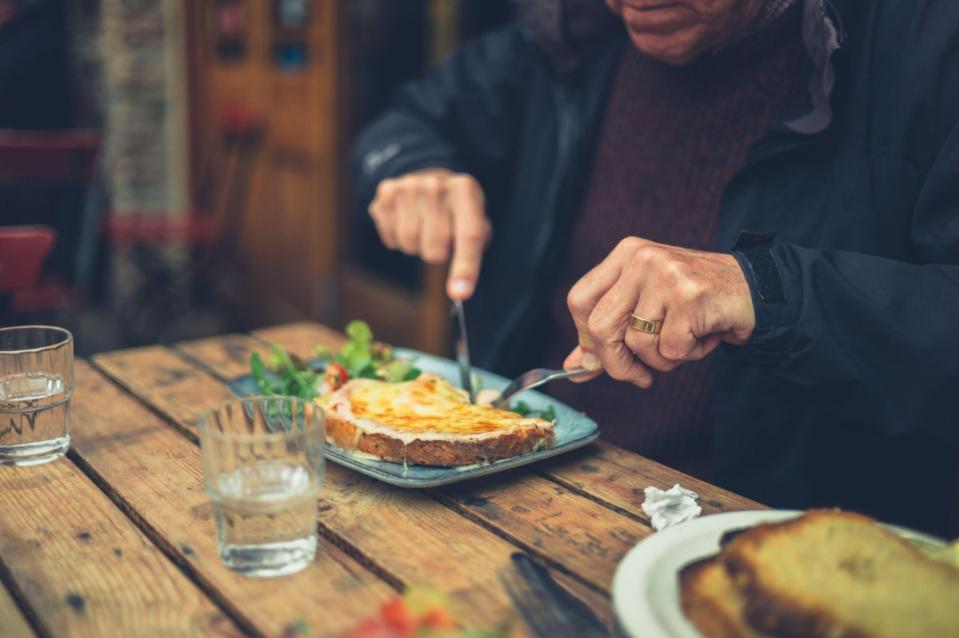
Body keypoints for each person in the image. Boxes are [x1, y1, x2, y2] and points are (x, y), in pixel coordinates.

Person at [351, 0, 959, 535]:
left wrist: (766, 292)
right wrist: (410, 168)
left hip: (764, 537)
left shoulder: (926, 42)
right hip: (514, 489)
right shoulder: (573, 30)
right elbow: (409, 121)